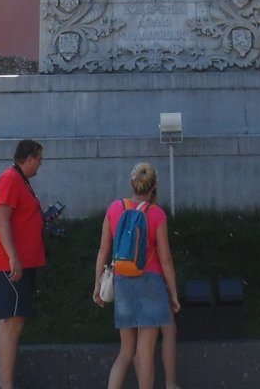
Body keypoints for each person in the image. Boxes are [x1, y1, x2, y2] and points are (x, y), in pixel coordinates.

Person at [93, 161, 180, 389]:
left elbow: (103, 250)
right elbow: (166, 258)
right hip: (151, 283)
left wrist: (97, 285)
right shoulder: (157, 214)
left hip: (123, 282)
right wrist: (173, 292)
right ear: (155, 186)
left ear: (132, 183)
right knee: (145, 353)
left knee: (126, 352)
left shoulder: (114, 208)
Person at [0, 138, 45, 389]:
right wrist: (13, 256)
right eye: (39, 159)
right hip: (10, 265)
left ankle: (6, 384)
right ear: (29, 158)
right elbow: (1, 220)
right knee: (11, 321)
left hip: (19, 262)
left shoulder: (19, 181)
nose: (40, 164)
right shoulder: (10, 180)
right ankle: (6, 385)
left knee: (11, 320)